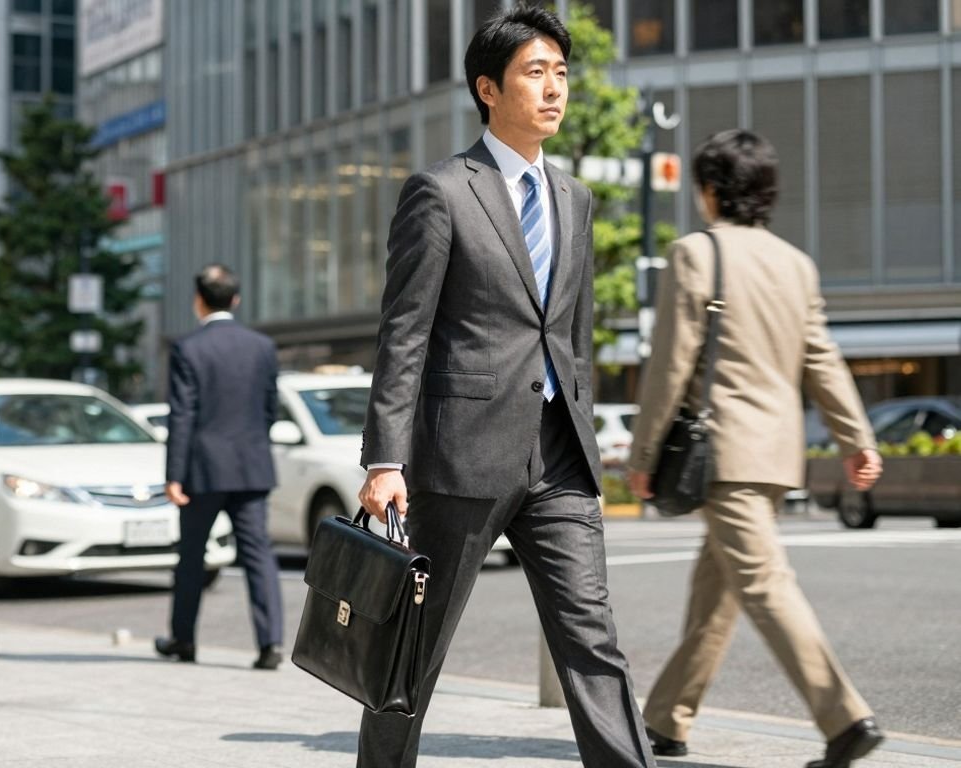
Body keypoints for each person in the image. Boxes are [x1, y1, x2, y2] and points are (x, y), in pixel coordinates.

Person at [356, 8, 655, 767]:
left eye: (560, 72)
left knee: (592, 640)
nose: (554, 89)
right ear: (488, 89)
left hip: (557, 455)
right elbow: (406, 332)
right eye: (535, 72)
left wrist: (585, 432)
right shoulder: (443, 191)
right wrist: (385, 460)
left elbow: (573, 335)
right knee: (413, 654)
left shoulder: (576, 200)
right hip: (462, 458)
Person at [627, 129, 885, 768]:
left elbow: (669, 366)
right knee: (716, 591)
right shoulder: (796, 264)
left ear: (711, 191)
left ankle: (845, 718)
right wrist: (855, 438)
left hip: (723, 456)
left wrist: (640, 458)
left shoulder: (695, 254)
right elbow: (822, 360)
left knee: (764, 583)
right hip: (773, 457)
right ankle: (666, 719)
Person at [155, 264, 284, 671]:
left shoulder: (188, 348)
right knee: (258, 554)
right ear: (236, 299)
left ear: (198, 300)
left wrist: (174, 475)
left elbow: (182, 416)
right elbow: (269, 409)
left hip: (203, 469)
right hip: (250, 467)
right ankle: (270, 644)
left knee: (191, 556)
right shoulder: (262, 346)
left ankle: (183, 640)